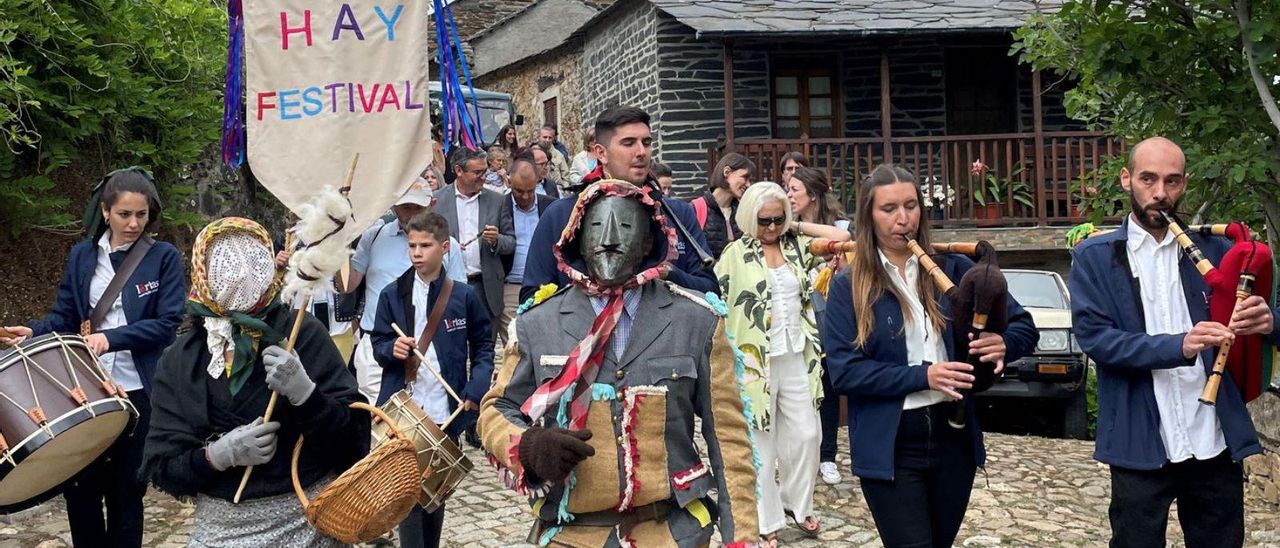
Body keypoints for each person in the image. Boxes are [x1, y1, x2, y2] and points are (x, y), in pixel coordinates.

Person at [478, 180, 761, 546]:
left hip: (672, 533)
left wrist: (742, 539)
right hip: (572, 534)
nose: (610, 238)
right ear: (577, 238)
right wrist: (529, 447)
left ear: (648, 242)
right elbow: (496, 409)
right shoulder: (538, 323)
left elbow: (729, 440)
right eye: (597, 227)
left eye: (626, 227)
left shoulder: (698, 321)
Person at [1069, 137, 1278, 548]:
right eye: (1148, 179)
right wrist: (1179, 345)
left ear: (1185, 184)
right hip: (1139, 441)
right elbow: (1098, 341)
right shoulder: (1094, 256)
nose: (1160, 193)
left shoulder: (1219, 250)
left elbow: (1273, 318)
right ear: (1127, 180)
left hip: (1213, 440)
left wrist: (1268, 321)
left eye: (1172, 181)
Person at [821, 164, 1037, 548]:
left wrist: (1004, 342)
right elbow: (845, 373)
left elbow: (1023, 325)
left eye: (911, 205)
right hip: (891, 439)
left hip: (953, 434)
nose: (903, 218)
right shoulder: (848, 286)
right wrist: (925, 376)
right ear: (869, 216)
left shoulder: (955, 269)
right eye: (889, 209)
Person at [140, 217, 369, 547]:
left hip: (310, 520)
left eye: (253, 261)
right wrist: (217, 455)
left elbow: (355, 445)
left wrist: (307, 395)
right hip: (223, 530)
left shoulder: (300, 334)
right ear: (202, 273)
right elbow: (163, 467)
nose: (242, 274)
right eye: (227, 263)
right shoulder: (181, 360)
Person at [0, 167, 185, 548]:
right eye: (124, 214)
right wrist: (34, 330)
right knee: (80, 492)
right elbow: (65, 317)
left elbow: (167, 324)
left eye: (142, 215)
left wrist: (109, 338)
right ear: (105, 212)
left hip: (138, 391)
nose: (134, 224)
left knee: (127, 494)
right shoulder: (83, 256)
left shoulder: (162, 257)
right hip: (85, 389)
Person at [369, 211, 494, 548]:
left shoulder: (463, 296)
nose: (417, 253)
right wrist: (391, 348)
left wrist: (477, 387)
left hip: (445, 408)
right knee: (408, 495)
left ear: (445, 248)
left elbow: (483, 345)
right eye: (412, 246)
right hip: (404, 406)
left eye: (425, 245)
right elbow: (378, 342)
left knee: (435, 495)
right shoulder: (391, 294)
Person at [715, 182, 831, 541]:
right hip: (754, 362)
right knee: (760, 445)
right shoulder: (736, 253)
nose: (771, 227)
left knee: (808, 435)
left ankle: (796, 502)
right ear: (750, 218)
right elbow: (716, 301)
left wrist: (794, 226)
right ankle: (766, 523)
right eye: (764, 220)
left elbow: (840, 235)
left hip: (797, 354)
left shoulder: (797, 247)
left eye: (778, 219)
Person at [518, 105, 718, 304]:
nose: (641, 152)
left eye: (646, 142)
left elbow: (710, 291)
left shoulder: (678, 214)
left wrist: (668, 273)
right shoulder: (562, 215)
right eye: (628, 143)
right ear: (601, 153)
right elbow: (532, 298)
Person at [343, 182, 467, 404]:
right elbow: (348, 285)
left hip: (428, 346)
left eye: (417, 207)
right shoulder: (373, 236)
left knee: (425, 419)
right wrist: (337, 244)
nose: (411, 214)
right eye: (405, 207)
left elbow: (458, 298)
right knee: (375, 416)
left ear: (432, 204)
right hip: (377, 343)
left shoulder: (448, 246)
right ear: (392, 206)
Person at [786, 166, 853, 486]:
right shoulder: (786, 233)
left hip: (830, 319)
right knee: (801, 392)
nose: (789, 195)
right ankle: (803, 457)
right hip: (800, 317)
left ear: (812, 195)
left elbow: (844, 238)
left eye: (794, 189)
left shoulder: (834, 226)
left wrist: (797, 224)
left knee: (827, 391)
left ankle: (827, 456)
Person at [432, 146, 516, 338]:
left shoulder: (497, 200)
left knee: (485, 348)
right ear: (458, 171)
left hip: (485, 288)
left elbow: (511, 242)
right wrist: (445, 248)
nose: (483, 177)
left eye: (484, 171)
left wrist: (496, 240)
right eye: (477, 172)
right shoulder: (437, 202)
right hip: (449, 286)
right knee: (452, 348)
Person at [498, 155, 556, 344]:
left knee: (545, 340)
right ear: (509, 181)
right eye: (519, 191)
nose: (525, 197)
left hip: (546, 286)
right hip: (512, 284)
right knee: (516, 343)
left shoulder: (551, 206)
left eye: (530, 191)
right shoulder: (499, 206)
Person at [689, 152, 755, 258]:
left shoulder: (744, 211)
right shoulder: (695, 209)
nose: (748, 184)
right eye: (745, 177)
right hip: (708, 274)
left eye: (750, 180)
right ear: (726, 172)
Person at [537, 125, 572, 192]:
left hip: (556, 192)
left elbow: (566, 177)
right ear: (539, 137)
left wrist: (563, 190)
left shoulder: (559, 156)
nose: (547, 140)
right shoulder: (532, 153)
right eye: (545, 137)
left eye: (550, 138)